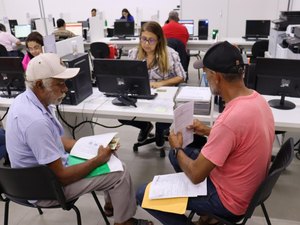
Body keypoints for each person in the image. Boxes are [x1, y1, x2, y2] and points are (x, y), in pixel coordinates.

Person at [136, 41, 275, 225]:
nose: (206, 78)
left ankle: (207, 213)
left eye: (207, 74)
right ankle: (206, 217)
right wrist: (209, 131)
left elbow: (195, 175)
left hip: (229, 201)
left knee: (143, 194)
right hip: (246, 188)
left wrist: (177, 148)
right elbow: (242, 138)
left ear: (216, 77)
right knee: (179, 154)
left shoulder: (230, 119)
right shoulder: (257, 100)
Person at [5, 53, 153, 225]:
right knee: (120, 172)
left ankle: (113, 205)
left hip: (30, 180)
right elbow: (62, 177)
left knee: (109, 154)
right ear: (39, 85)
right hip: (44, 190)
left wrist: (88, 147)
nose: (66, 88)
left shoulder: (26, 101)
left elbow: (52, 141)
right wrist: (98, 160)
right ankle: (124, 221)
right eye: (59, 83)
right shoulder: (35, 121)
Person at [119, 21, 186, 150]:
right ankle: (145, 126)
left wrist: (160, 83)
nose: (146, 44)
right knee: (121, 114)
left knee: (163, 118)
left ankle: (160, 131)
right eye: (143, 39)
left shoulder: (170, 54)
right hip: (141, 94)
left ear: (159, 40)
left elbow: (182, 76)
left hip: (163, 96)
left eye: (151, 40)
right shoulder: (134, 53)